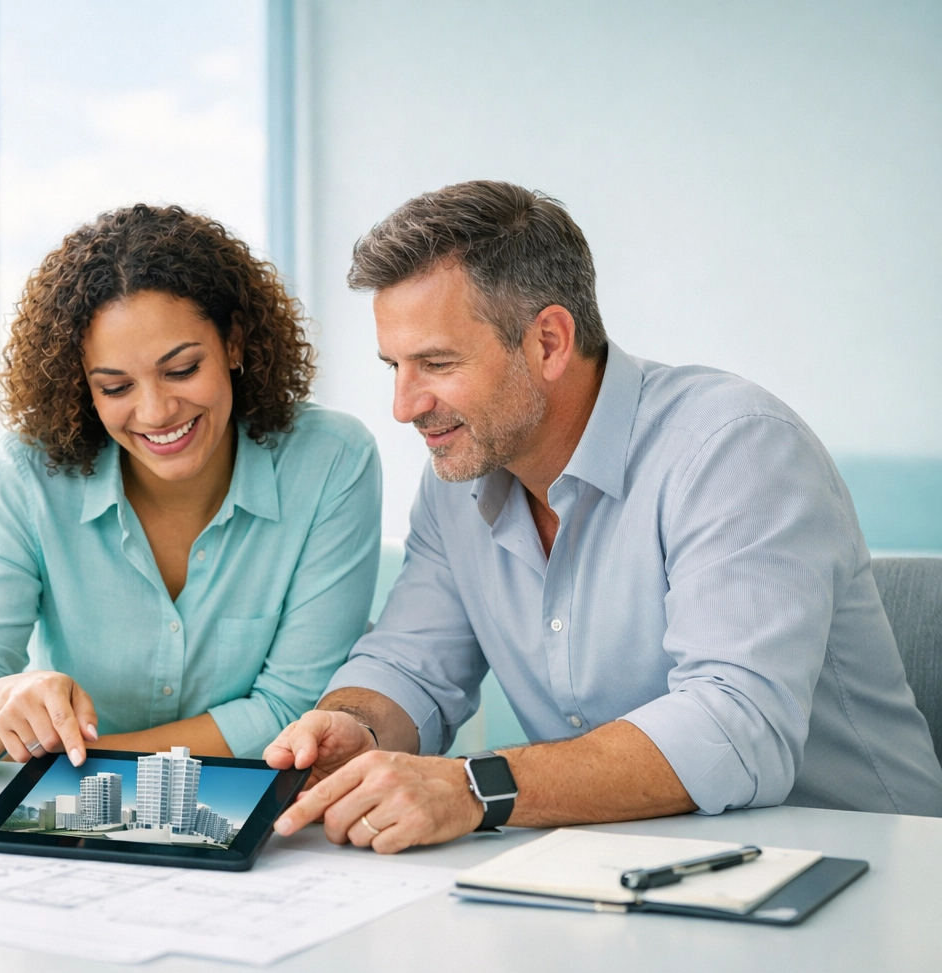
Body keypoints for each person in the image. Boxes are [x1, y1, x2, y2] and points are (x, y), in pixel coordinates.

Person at [265, 181, 942, 853]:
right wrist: (356, 722)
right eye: (394, 366)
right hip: (627, 869)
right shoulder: (459, 477)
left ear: (550, 342)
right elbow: (411, 666)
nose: (404, 406)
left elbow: (736, 729)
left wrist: (475, 789)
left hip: (866, 871)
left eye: (437, 363)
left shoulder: (734, 447)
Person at [0, 204, 381, 770]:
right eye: (117, 386)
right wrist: (2, 700)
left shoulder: (331, 460)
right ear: (83, 387)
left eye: (181, 370)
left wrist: (85, 766)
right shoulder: (24, 473)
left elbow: (292, 710)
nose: (155, 411)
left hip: (249, 818)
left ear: (235, 343)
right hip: (70, 827)